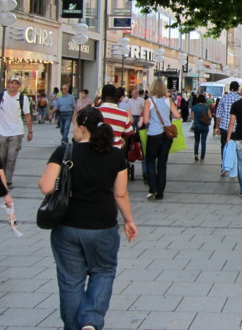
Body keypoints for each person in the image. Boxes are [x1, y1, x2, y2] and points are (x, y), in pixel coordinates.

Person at [38, 106, 138, 330]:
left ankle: (74, 326)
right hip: (103, 226)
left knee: (70, 281)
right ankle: (90, 320)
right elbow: (120, 193)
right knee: (103, 272)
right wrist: (129, 220)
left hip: (67, 226)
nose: (73, 129)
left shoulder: (65, 152)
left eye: (75, 125)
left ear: (82, 128)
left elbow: (46, 187)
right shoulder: (115, 155)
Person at [142, 78, 181, 200]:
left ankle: (153, 188)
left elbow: (146, 120)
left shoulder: (149, 101)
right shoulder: (168, 100)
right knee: (162, 164)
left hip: (154, 134)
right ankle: (160, 193)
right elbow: (177, 115)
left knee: (150, 161)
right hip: (166, 135)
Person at [0, 75, 33, 188]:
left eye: (16, 83)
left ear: (19, 86)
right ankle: (2, 179)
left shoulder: (23, 98)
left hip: (16, 131)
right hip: (2, 131)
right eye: (12, 83)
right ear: (8, 84)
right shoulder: (2, 96)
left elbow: (27, 115)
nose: (13, 85)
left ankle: (8, 180)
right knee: (2, 157)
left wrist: (30, 131)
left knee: (11, 157)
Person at [97, 84, 135, 151]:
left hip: (98, 150)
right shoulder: (124, 114)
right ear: (115, 96)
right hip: (116, 151)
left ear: (102, 97)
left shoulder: (95, 112)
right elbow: (129, 133)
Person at [214, 81, 242, 172]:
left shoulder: (223, 98)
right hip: (237, 128)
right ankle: (234, 165)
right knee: (236, 147)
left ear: (230, 88)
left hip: (224, 127)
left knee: (224, 146)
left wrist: (217, 127)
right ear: (238, 88)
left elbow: (218, 114)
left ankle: (224, 165)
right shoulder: (240, 99)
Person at [189, 94, 211, 162]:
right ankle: (202, 157)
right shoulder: (206, 107)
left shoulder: (194, 107)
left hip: (197, 126)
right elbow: (210, 116)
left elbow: (192, 117)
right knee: (203, 142)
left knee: (197, 140)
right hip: (205, 126)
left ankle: (196, 154)